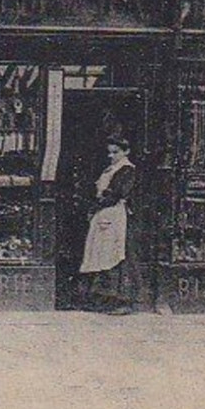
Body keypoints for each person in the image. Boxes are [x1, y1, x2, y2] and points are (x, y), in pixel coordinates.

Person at [79, 133, 141, 315]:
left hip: (115, 215)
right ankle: (104, 298)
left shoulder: (127, 170)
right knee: (102, 253)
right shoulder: (110, 169)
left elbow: (116, 194)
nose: (111, 156)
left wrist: (96, 203)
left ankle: (123, 300)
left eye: (115, 152)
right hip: (104, 214)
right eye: (110, 152)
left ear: (126, 152)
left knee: (117, 253)